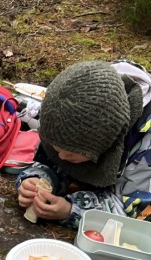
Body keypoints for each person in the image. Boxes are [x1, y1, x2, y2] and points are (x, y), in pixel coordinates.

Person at [15, 60, 151, 228]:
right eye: (56, 148)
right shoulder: (77, 95)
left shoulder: (144, 146)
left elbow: (136, 213)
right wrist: (36, 179)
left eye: (71, 153)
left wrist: (73, 211)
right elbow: (50, 163)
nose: (62, 156)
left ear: (103, 143)